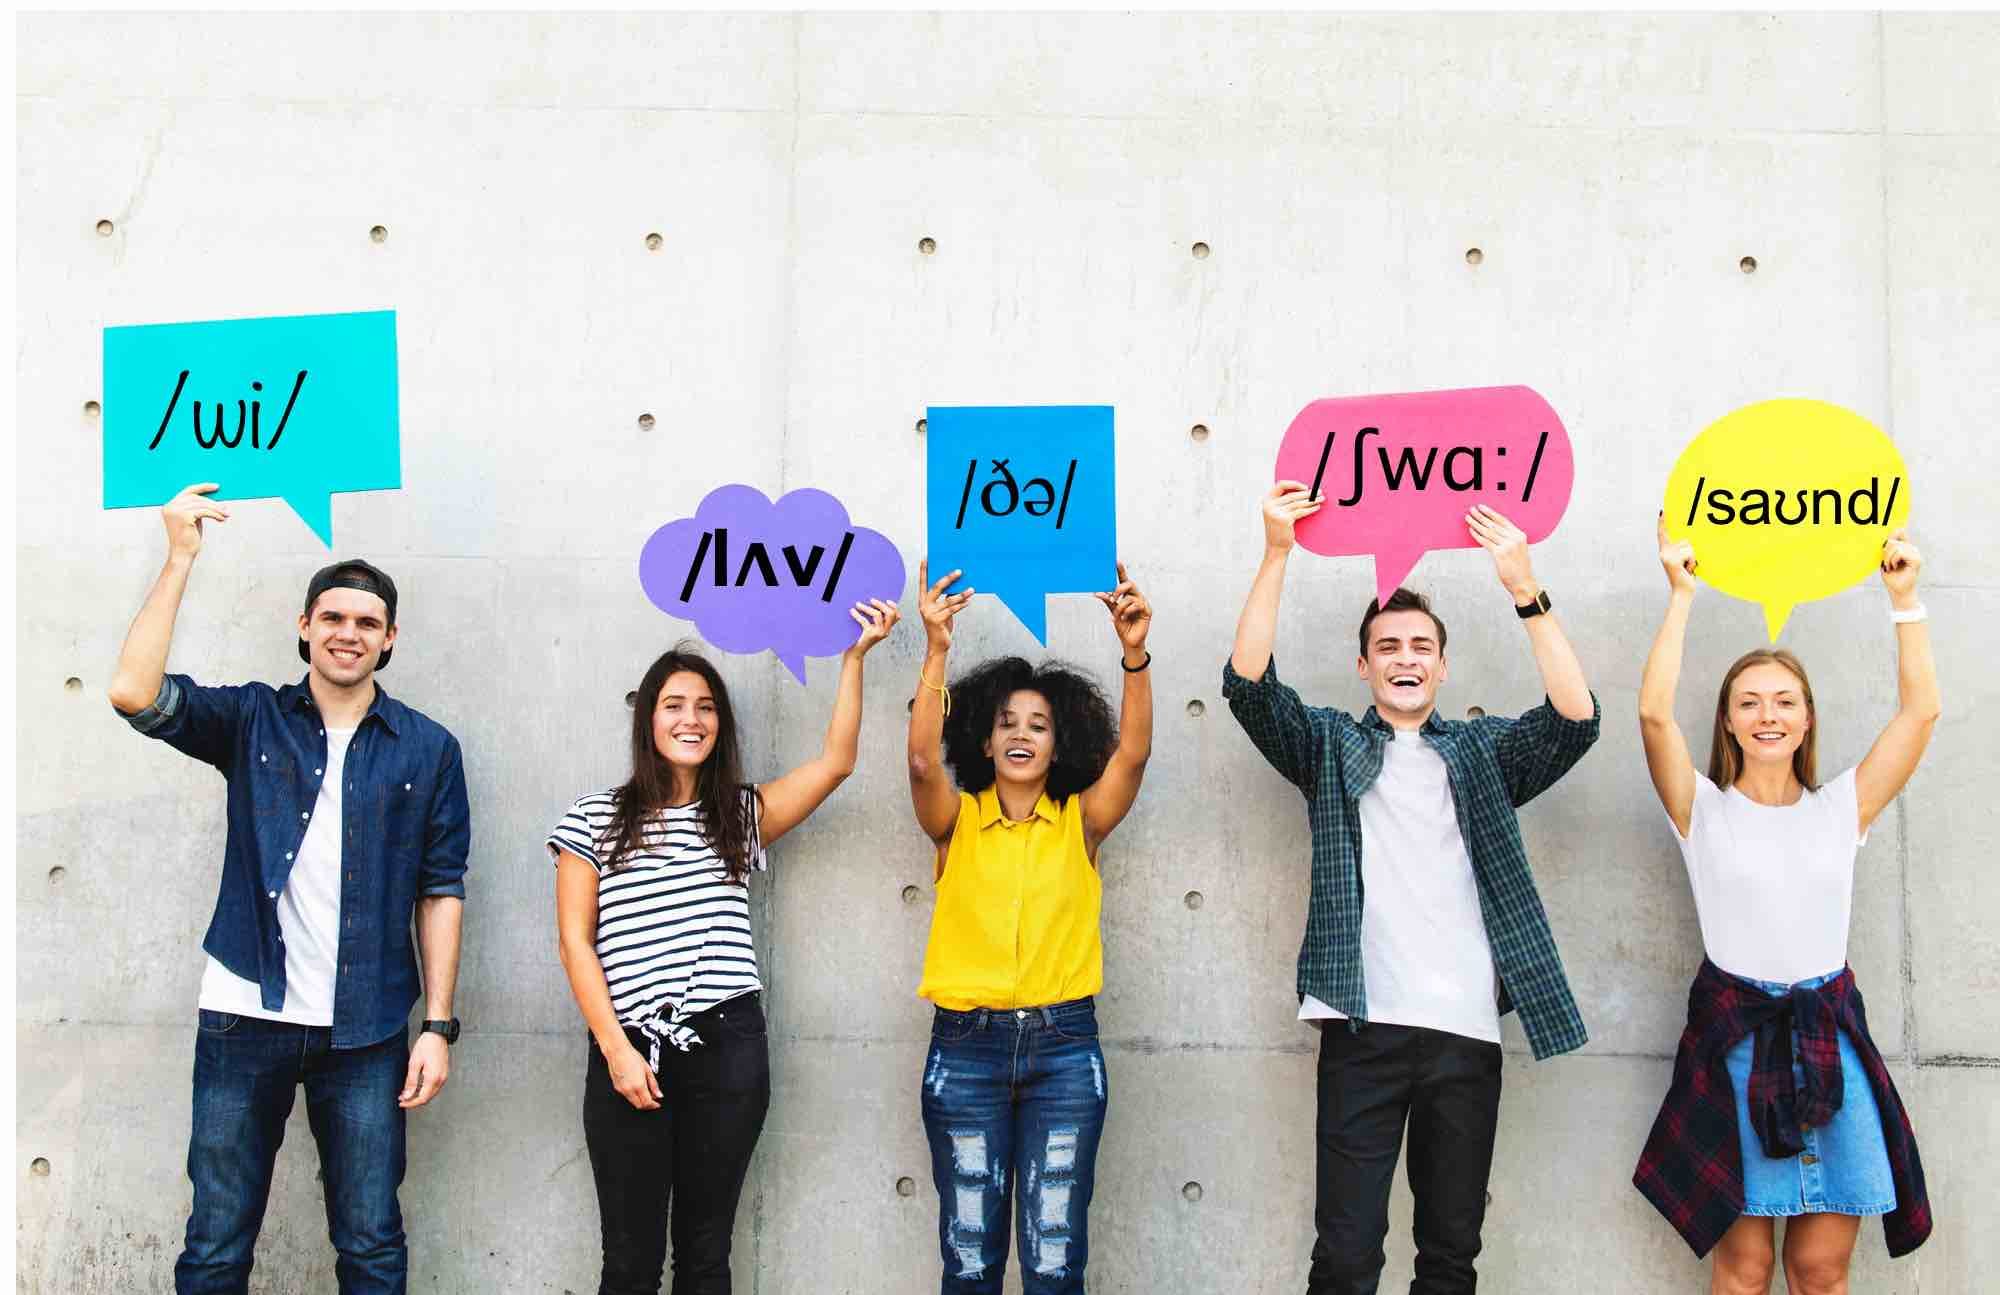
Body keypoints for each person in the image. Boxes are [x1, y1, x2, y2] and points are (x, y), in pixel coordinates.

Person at [1222, 485, 1600, 1295]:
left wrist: (1524, 589)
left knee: (1449, 1257)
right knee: (1348, 1255)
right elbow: (1248, 687)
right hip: (1365, 1028)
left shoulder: (1480, 752)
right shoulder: (1329, 745)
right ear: (1364, 664)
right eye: (1387, 645)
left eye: (1420, 645)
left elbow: (1576, 719)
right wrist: (1278, 551)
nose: (1404, 657)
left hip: (1464, 1033)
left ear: (1441, 663)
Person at [107, 483, 470, 1295]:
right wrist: (179, 555)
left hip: (368, 1030)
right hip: (244, 1015)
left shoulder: (429, 749)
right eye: (333, 617)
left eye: (367, 622)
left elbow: (440, 891)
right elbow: (133, 691)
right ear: (305, 625)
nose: (349, 633)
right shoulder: (252, 719)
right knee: (216, 1245)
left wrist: (437, 1024)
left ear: (390, 639)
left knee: (372, 1245)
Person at [549, 603, 899, 1295]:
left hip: (729, 1045)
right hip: (631, 1046)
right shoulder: (592, 818)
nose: (691, 718)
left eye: (706, 707)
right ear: (647, 718)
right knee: (629, 1261)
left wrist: (854, 659)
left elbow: (836, 762)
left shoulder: (738, 816)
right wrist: (617, 1049)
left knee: (706, 1257)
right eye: (674, 704)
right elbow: (574, 941)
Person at [1632, 517, 1936, 1292]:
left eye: (1784, 701)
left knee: (1820, 1269)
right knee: (1743, 1269)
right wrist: (1681, 593)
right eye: (1750, 701)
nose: (1768, 714)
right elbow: (1653, 717)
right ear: (1730, 719)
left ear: (1805, 719)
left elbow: (1919, 715)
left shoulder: (1842, 809)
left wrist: (1905, 599)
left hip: (1828, 1039)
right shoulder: (1701, 809)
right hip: (1733, 1045)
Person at [905, 559, 1154, 1294]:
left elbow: (1134, 754)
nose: (1021, 734)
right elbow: (922, 759)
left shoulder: (1082, 823)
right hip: (966, 1052)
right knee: (971, 1259)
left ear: (1060, 744)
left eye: (1038, 725)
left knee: (1053, 1260)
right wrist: (937, 647)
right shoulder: (957, 823)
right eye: (1006, 723)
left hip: (1064, 1052)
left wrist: (1134, 653)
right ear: (983, 741)